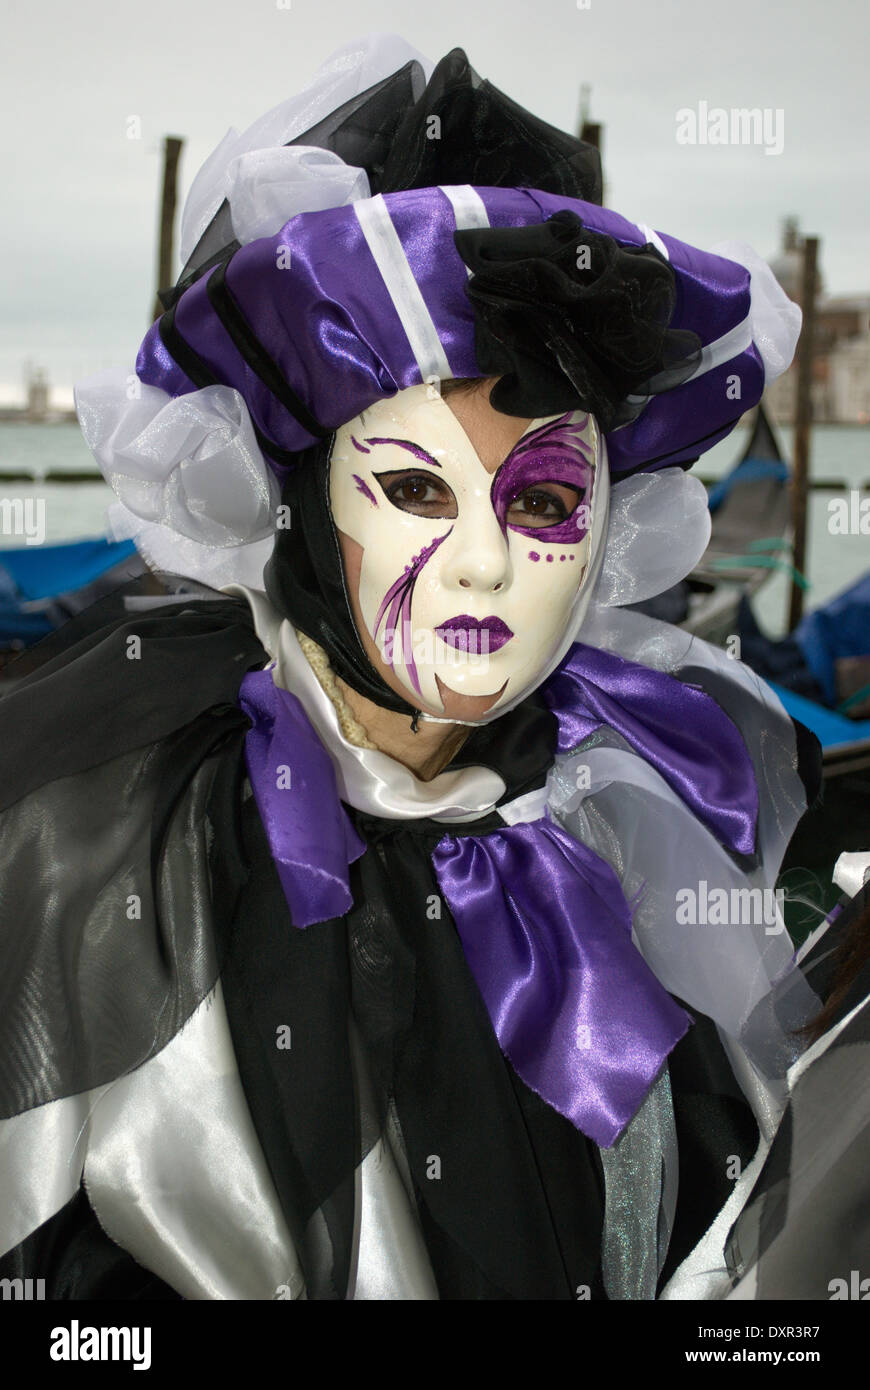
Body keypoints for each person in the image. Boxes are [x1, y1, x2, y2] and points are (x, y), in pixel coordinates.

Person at [0, 35, 823, 1301]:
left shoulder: (639, 804)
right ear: (304, 511)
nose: (487, 568)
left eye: (547, 497)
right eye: (413, 486)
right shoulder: (116, 832)